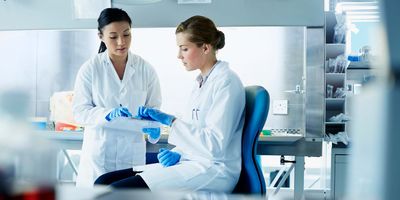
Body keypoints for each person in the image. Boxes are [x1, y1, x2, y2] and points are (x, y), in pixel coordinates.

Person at [95, 15, 245, 193]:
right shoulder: (201, 83)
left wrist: (171, 121)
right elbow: (195, 133)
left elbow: (215, 146)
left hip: (214, 169)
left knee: (116, 191)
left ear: (205, 47)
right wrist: (178, 153)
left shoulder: (226, 82)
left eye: (184, 49)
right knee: (103, 181)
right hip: (192, 161)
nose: (179, 55)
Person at [72, 8, 162, 187]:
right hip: (99, 155)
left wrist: (154, 128)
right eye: (113, 37)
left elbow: (155, 111)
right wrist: (107, 114)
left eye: (126, 34)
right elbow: (79, 112)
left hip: (132, 155)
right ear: (101, 36)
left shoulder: (146, 70)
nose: (121, 42)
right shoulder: (90, 69)